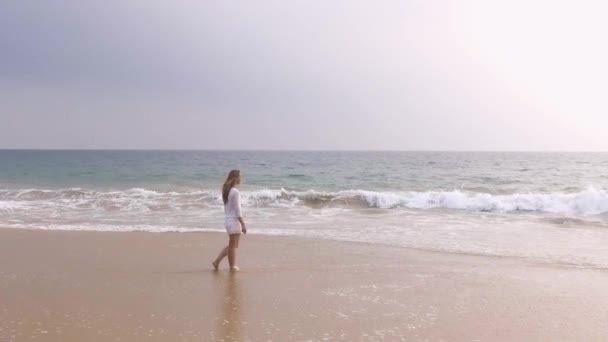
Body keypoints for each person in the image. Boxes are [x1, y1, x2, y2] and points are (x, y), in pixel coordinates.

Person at [212, 169, 247, 271]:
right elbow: (238, 209)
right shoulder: (235, 192)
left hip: (228, 220)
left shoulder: (226, 190)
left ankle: (217, 262)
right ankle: (232, 266)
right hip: (234, 221)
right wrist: (243, 223)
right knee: (233, 246)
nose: (241, 178)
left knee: (232, 245)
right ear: (235, 178)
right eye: (240, 176)